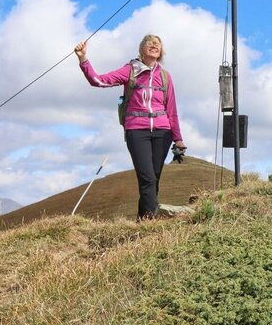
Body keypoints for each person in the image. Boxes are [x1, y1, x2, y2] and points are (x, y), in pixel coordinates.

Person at [74, 35, 187, 220]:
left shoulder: (165, 77)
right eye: (149, 43)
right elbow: (98, 80)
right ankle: (151, 223)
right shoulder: (130, 71)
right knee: (147, 178)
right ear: (141, 49)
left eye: (157, 44)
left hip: (163, 132)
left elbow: (172, 109)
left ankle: (142, 221)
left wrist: (178, 138)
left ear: (161, 51)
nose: (154, 45)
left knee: (153, 179)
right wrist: (83, 59)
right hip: (137, 131)